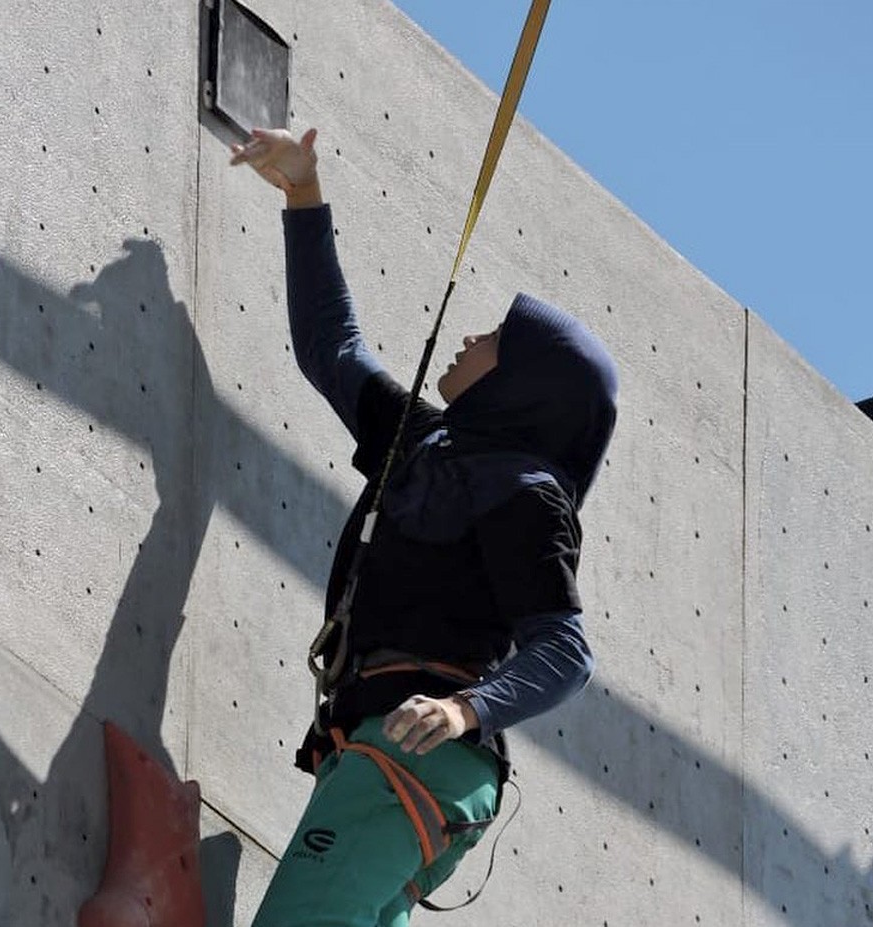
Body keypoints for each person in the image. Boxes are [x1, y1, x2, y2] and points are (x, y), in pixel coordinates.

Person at [230, 128, 618, 927]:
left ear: (524, 389)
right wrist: (304, 193)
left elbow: (566, 651)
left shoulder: (523, 491)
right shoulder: (431, 447)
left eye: (496, 343)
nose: (473, 338)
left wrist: (464, 708)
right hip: (397, 758)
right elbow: (330, 350)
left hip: (418, 752)